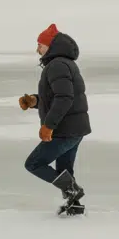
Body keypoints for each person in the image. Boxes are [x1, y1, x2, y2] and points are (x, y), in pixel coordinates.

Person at [18, 24, 91, 216]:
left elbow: (64, 98)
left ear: (50, 46)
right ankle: (74, 206)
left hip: (65, 130)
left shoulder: (57, 65)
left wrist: (48, 126)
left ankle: (72, 191)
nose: (37, 50)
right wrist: (34, 101)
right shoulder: (64, 63)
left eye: (40, 45)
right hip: (74, 129)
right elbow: (59, 96)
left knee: (34, 163)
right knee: (64, 169)